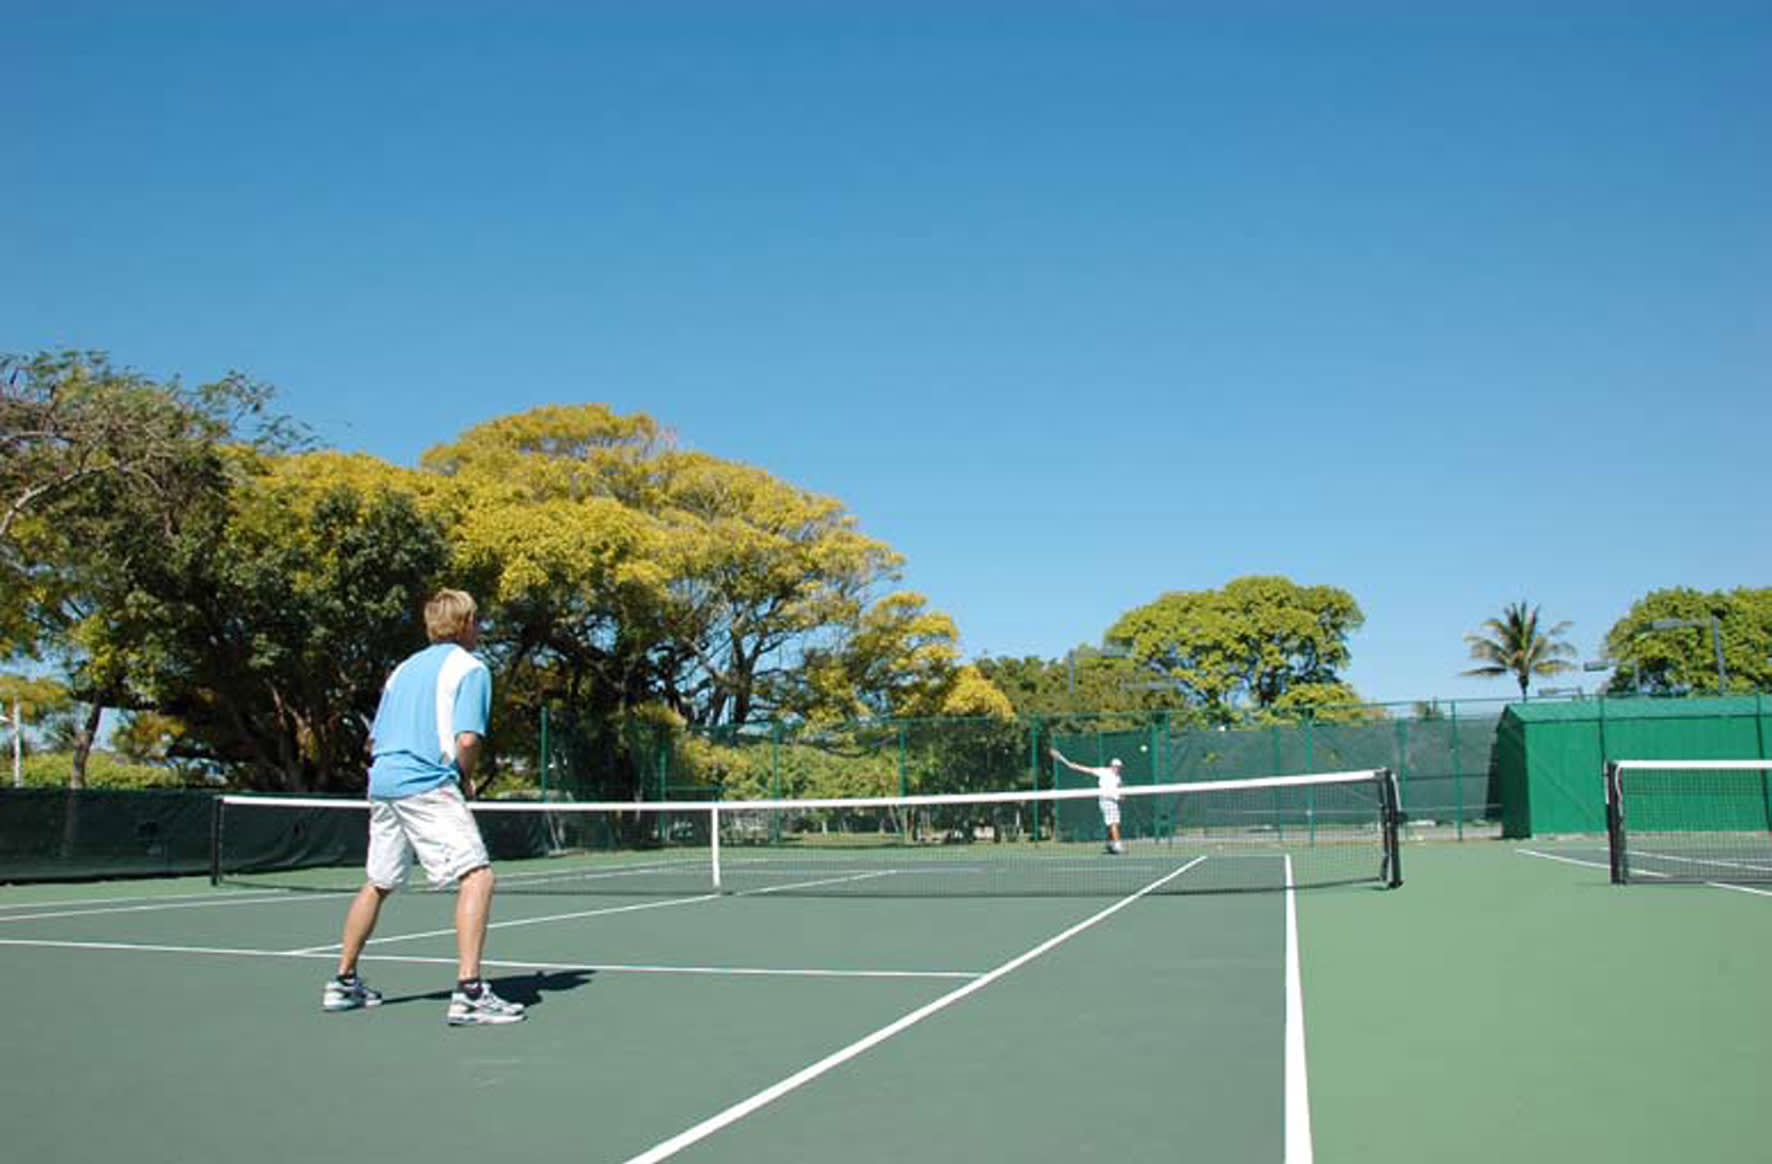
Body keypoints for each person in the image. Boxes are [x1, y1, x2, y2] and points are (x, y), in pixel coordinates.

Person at [322, 589, 526, 1026]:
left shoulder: (401, 671)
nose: (480, 627)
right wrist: (463, 774)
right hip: (426, 782)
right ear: (466, 622)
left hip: (383, 782)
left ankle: (342, 981)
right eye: (477, 620)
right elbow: (467, 739)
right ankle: (470, 991)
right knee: (478, 875)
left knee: (378, 880)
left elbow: (374, 739)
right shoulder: (471, 668)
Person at [1049, 747, 1126, 854]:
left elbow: (1120, 790)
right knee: (1114, 823)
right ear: (1111, 766)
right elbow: (1087, 770)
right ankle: (1118, 845)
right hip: (1106, 800)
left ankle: (1110, 844)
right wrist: (1074, 766)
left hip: (1114, 802)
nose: (1117, 769)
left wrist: (1121, 796)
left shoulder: (1118, 778)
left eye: (1119, 767)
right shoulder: (1104, 772)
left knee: (1112, 824)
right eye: (1116, 766)